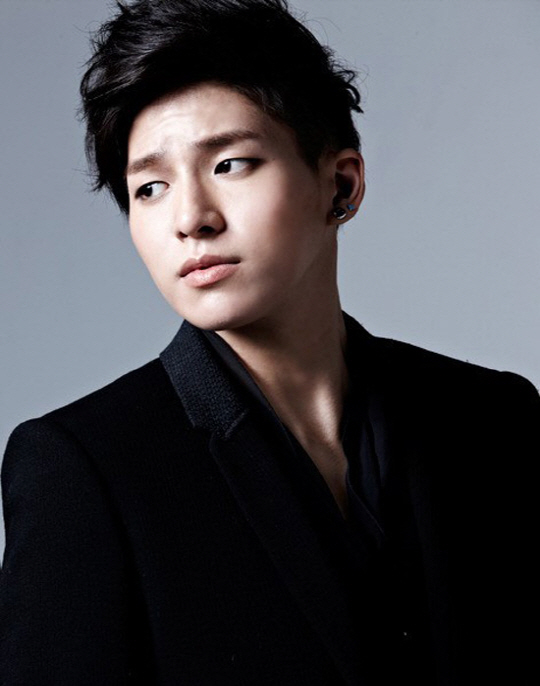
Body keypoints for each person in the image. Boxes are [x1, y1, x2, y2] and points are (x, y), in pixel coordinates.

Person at [0, 0, 537, 684]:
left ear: (341, 184)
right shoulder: (82, 468)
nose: (190, 218)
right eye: (150, 187)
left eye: (230, 164)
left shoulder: (494, 417)